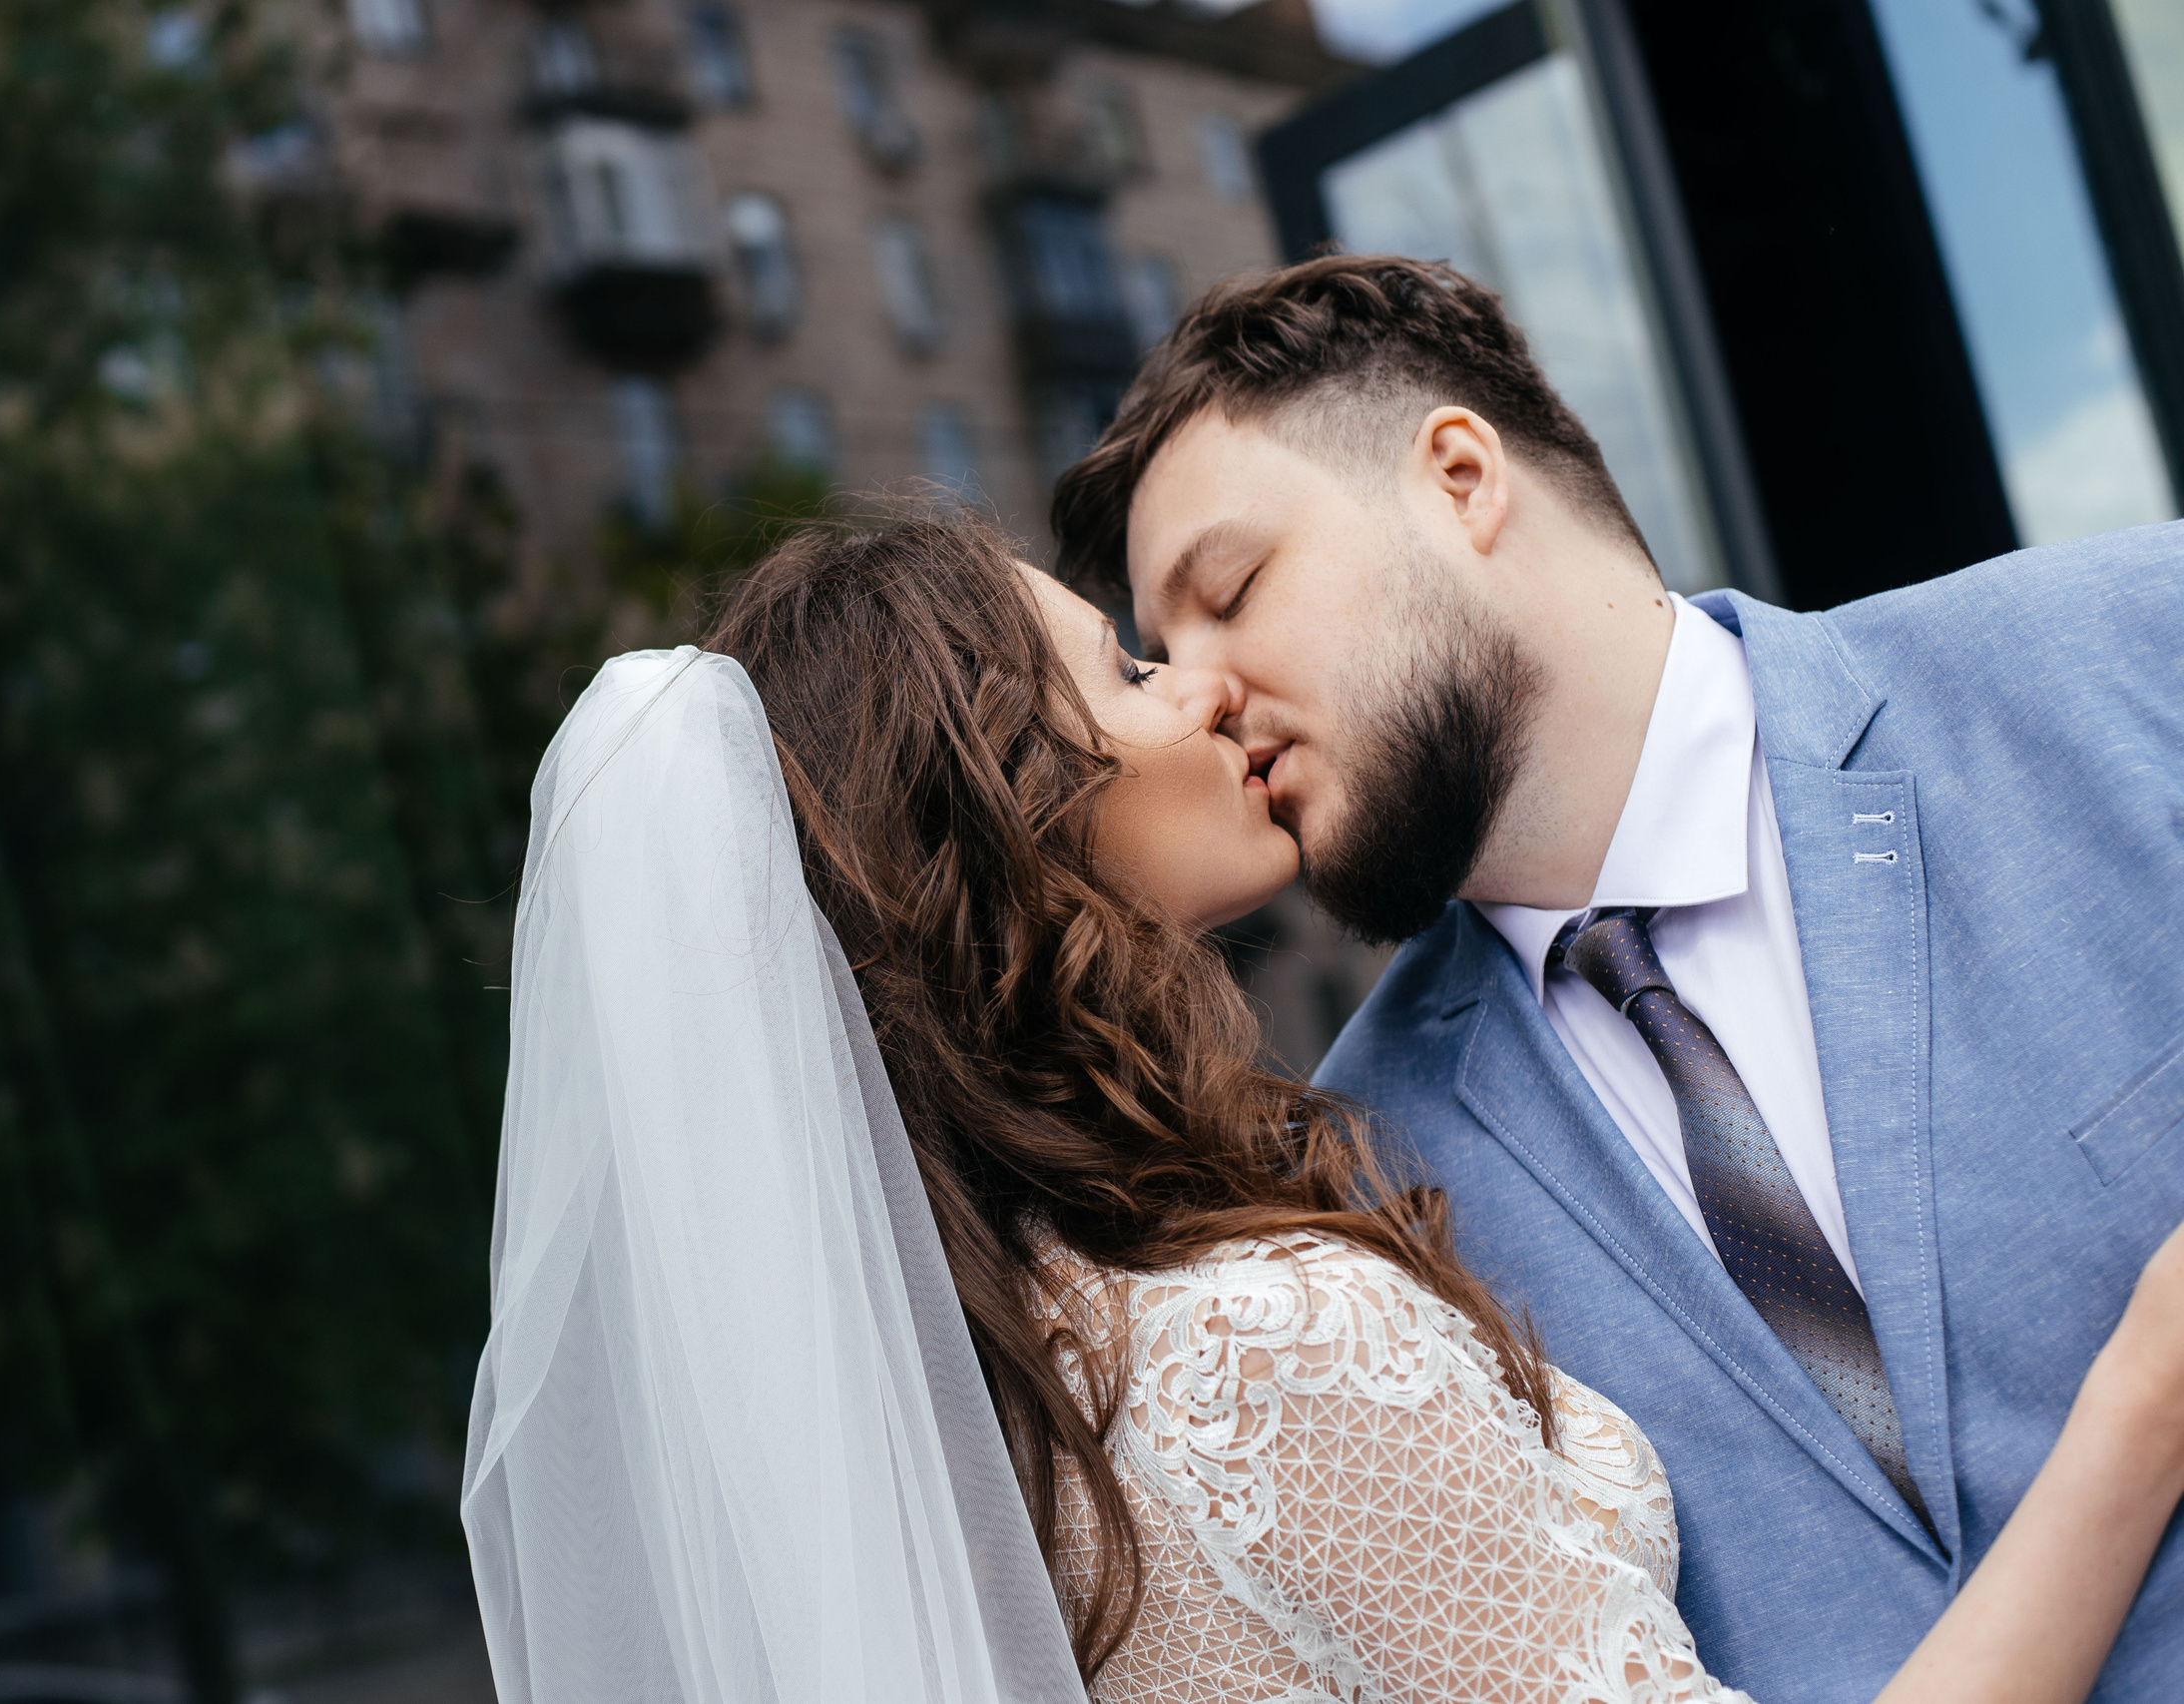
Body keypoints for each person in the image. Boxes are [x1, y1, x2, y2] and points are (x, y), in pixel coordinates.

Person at [464, 512, 2184, 1704]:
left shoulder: (1021, 1387)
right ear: (1006, 807)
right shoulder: (1247, 1352)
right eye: (1132, 672)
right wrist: (2146, 1395)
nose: (1209, 685)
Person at [1050, 252, 2184, 1700]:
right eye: (1157, 656)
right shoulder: (1344, 1206)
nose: (1201, 688)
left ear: (1460, 477)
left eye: (1232, 589)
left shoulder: (2135, 658)